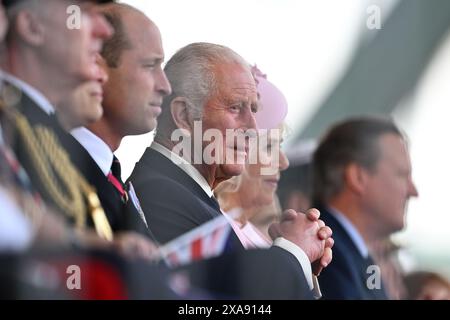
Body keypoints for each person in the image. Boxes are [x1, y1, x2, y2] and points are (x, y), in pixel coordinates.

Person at [128, 41, 333, 295]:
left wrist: (297, 261)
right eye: (235, 108)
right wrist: (293, 253)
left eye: (254, 110)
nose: (253, 128)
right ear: (183, 115)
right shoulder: (159, 193)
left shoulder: (189, 194)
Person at [0, 0, 114, 240]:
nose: (105, 30)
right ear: (32, 26)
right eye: (82, 12)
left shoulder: (47, 130)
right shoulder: (10, 120)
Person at [312, 117, 419, 299]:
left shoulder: (357, 256)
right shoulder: (326, 255)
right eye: (402, 175)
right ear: (357, 177)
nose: (413, 191)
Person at [215, 65, 289, 248]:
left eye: (279, 145)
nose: (283, 162)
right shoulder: (215, 235)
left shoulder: (245, 229)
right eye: (269, 146)